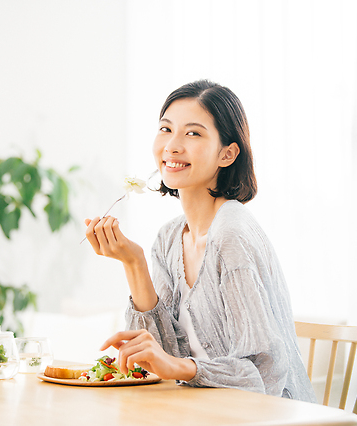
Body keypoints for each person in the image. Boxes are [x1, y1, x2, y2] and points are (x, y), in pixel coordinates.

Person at [84, 79, 316, 402]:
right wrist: (133, 263)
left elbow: (263, 374)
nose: (172, 145)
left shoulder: (231, 234)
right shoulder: (168, 239)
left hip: (267, 417)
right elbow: (162, 360)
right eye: (166, 129)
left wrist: (185, 369)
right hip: (204, 411)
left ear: (228, 154)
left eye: (193, 133)